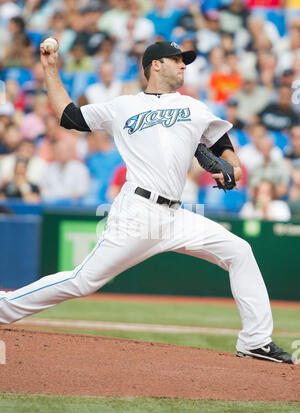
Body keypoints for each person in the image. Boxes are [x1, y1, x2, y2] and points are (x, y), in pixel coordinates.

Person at [0, 40, 294, 364]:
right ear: (156, 64)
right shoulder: (122, 106)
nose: (184, 65)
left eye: (185, 61)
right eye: (177, 59)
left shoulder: (194, 107)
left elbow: (220, 140)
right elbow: (69, 116)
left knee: (239, 251)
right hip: (138, 213)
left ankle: (255, 341)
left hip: (177, 215)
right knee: (82, 281)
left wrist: (232, 164)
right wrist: (51, 68)